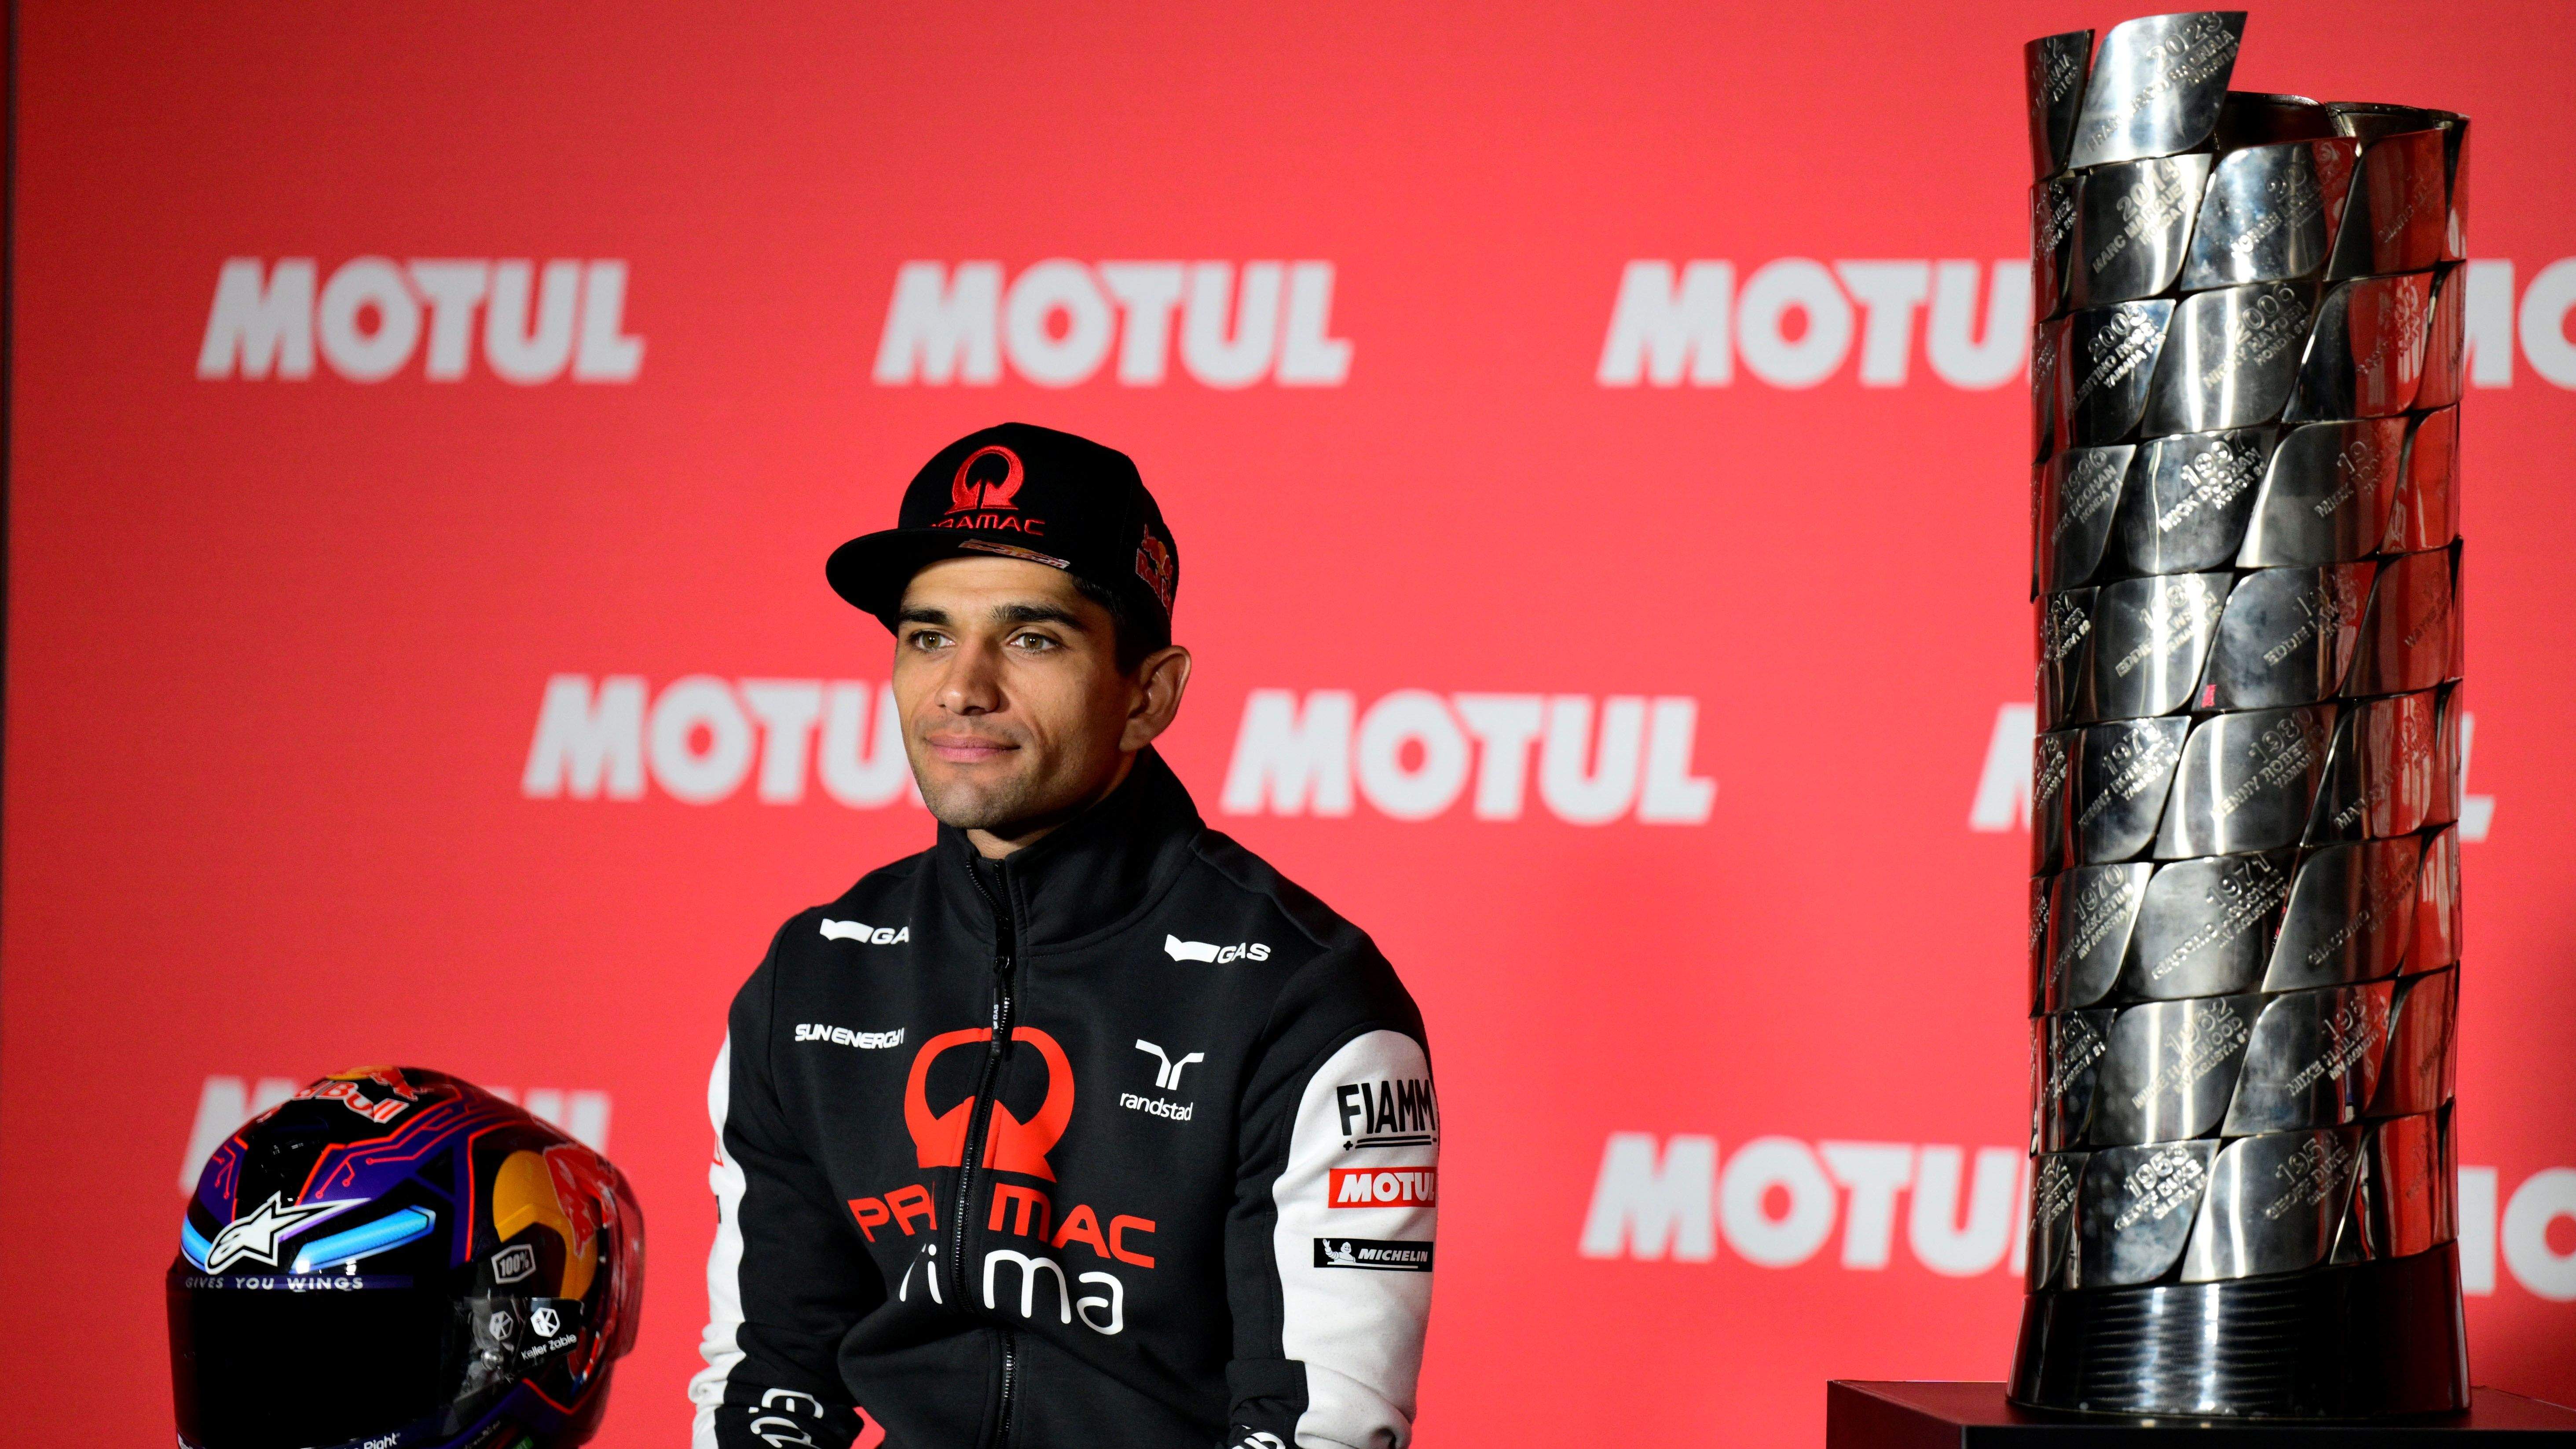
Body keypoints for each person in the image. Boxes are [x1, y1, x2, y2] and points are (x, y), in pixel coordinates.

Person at [690, 423, 1439, 1449]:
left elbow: (1319, 1428)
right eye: (928, 637)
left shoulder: (1305, 998)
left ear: (1148, 696)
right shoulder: (816, 976)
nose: (962, 687)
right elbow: (770, 1375)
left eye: (1031, 639)